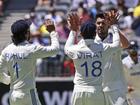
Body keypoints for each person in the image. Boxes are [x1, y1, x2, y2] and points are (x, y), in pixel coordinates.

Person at [65, 12, 122, 105]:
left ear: (82, 34)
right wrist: (114, 25)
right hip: (95, 91)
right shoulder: (103, 48)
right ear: (95, 33)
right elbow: (116, 44)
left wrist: (73, 30)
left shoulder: (75, 49)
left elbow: (66, 48)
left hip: (78, 90)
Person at [0, 19, 59, 105]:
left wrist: (8, 80)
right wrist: (52, 32)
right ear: (26, 34)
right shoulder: (31, 49)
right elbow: (55, 50)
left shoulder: (6, 51)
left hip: (13, 94)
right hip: (28, 94)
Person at [95, 10, 130, 105]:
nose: (100, 25)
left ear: (108, 25)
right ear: (95, 24)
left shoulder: (114, 38)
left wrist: (114, 27)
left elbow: (126, 44)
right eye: (98, 23)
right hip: (99, 90)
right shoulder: (92, 42)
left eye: (103, 23)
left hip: (117, 89)